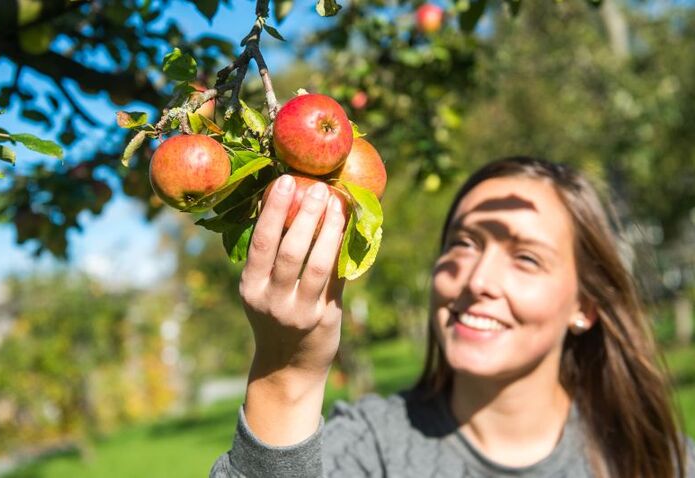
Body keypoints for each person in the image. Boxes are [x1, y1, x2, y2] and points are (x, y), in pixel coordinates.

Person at [210, 156, 695, 477]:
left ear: (584, 307)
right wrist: (287, 376)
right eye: (463, 243)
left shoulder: (658, 461)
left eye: (526, 257)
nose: (477, 278)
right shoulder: (371, 449)